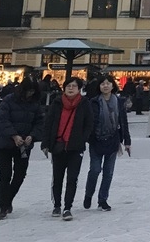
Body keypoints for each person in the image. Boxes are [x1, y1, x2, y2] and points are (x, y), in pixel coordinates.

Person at [41, 78, 93, 220]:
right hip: (58, 146)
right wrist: (45, 143)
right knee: (57, 178)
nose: (71, 88)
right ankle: (57, 205)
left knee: (72, 178)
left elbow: (89, 123)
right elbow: (48, 123)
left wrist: (82, 138)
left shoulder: (84, 103)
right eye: (68, 86)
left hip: (75, 147)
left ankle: (67, 208)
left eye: (74, 86)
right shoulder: (57, 103)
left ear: (79, 89)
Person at [0, 76, 44, 220]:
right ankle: (3, 207)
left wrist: (32, 136)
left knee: (20, 174)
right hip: (4, 144)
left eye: (33, 91)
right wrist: (14, 135)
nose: (30, 94)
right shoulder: (9, 100)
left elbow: (40, 123)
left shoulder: (35, 104)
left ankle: (8, 199)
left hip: (23, 146)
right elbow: (2, 120)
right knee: (5, 175)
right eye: (28, 91)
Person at [84, 75, 131, 211]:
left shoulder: (119, 102)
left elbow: (123, 122)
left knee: (108, 172)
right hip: (96, 140)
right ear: (99, 86)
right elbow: (89, 122)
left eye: (108, 83)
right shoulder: (93, 102)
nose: (105, 86)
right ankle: (88, 194)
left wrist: (127, 141)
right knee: (95, 170)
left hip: (113, 140)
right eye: (102, 84)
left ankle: (102, 199)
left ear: (112, 85)